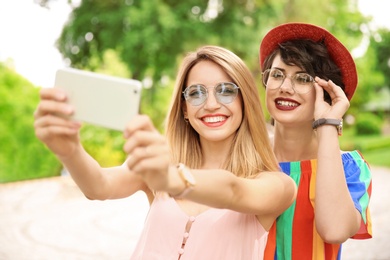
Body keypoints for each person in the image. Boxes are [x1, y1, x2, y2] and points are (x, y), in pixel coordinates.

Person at [34, 45, 297, 259]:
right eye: (196, 93)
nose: (211, 104)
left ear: (245, 101)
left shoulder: (277, 185)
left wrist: (172, 179)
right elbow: (99, 186)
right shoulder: (161, 165)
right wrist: (70, 150)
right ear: (184, 108)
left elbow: (232, 190)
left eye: (226, 91)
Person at [258, 23, 372, 259]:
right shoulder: (246, 154)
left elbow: (334, 230)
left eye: (303, 78)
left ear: (328, 93)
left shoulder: (351, 168)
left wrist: (328, 123)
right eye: (277, 75)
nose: (285, 88)